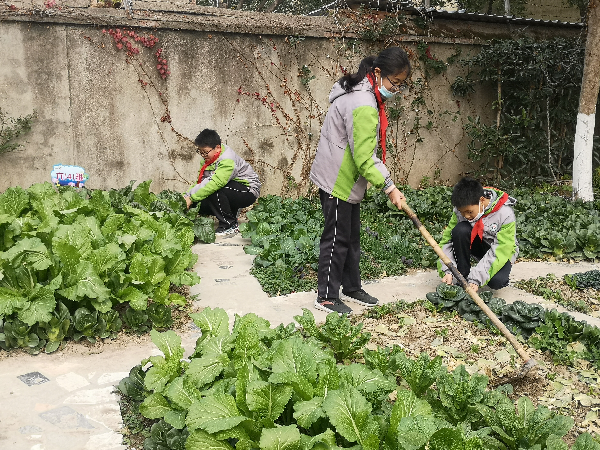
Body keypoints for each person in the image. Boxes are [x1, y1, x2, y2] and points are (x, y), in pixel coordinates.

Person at [309, 46, 411, 315]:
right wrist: (390, 187)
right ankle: (326, 297)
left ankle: (351, 287)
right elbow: (365, 157)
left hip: (347, 176)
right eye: (394, 83)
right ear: (377, 73)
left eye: (400, 85)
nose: (396, 90)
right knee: (336, 239)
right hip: (338, 179)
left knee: (351, 237)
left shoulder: (364, 93)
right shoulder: (363, 104)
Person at [438, 177, 519, 292]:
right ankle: (462, 275)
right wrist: (448, 270)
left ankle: (478, 276)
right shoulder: (461, 209)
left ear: (481, 200)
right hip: (476, 243)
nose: (465, 216)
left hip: (500, 250)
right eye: (462, 212)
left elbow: (501, 249)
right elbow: (448, 240)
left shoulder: (505, 214)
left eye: (469, 212)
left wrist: (476, 279)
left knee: (497, 281)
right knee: (460, 230)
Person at [183, 129, 261, 236]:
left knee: (214, 189)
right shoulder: (208, 160)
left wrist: (191, 198)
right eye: (200, 152)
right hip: (231, 188)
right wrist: (186, 197)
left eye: (205, 152)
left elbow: (215, 183)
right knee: (199, 200)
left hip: (248, 191)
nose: (203, 155)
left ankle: (229, 225)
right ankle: (231, 214)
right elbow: (201, 183)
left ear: (217, 148)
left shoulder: (227, 159)